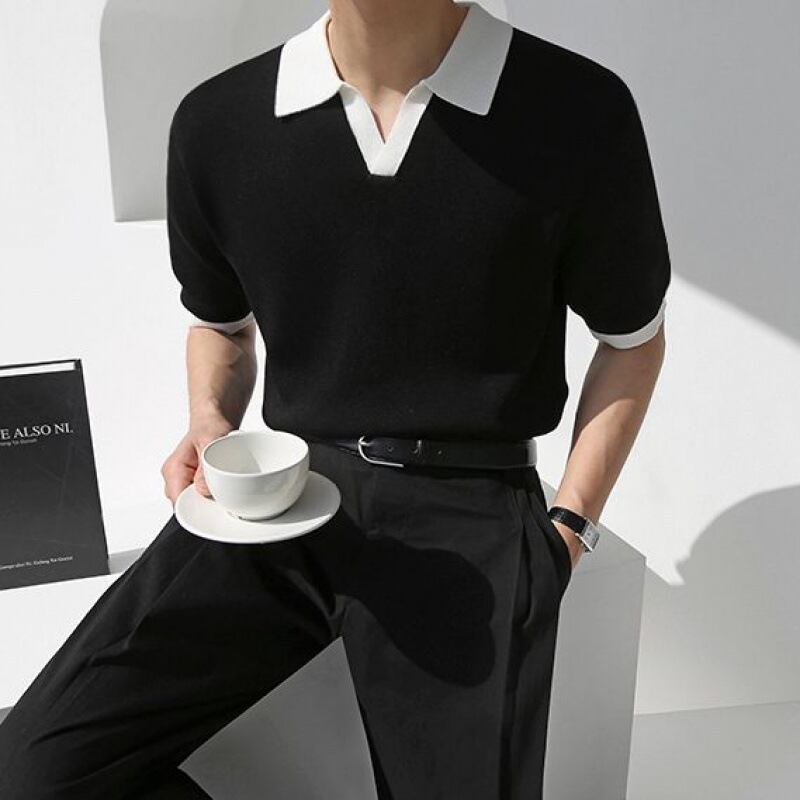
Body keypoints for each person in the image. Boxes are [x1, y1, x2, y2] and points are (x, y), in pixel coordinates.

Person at [0, 1, 670, 797]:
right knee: (32, 774)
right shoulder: (220, 121)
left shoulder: (576, 110)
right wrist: (210, 420)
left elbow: (632, 341)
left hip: (470, 509)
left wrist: (568, 530)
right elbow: (221, 325)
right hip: (285, 499)